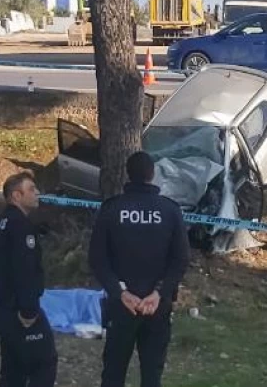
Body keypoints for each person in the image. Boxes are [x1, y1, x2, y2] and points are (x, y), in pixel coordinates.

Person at [89, 151, 190, 387]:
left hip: (122, 305)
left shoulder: (112, 209)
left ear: (128, 175)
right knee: (152, 374)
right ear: (152, 175)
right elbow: (181, 259)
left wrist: (120, 292)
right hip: (157, 306)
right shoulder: (169, 210)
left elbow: (97, 258)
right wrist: (159, 293)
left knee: (113, 371)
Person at [0, 172, 57, 387]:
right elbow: (26, 270)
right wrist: (29, 310)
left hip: (0, 305)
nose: (37, 192)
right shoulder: (20, 226)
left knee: (13, 368)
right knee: (44, 363)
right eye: (31, 189)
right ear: (16, 196)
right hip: (19, 311)